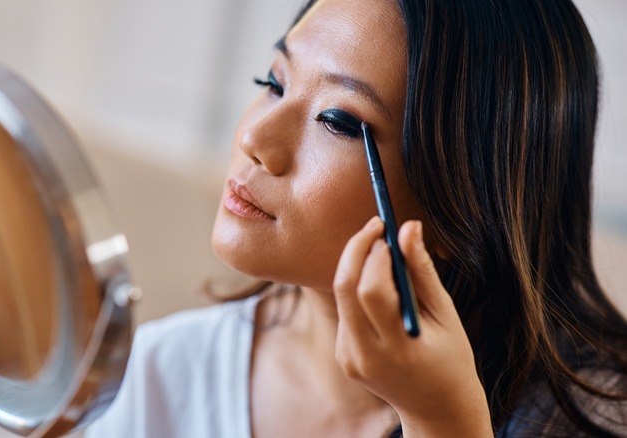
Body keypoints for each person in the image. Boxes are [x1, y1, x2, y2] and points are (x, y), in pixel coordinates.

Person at [86, 0, 627, 436]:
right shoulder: (160, 375)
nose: (254, 138)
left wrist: (443, 424)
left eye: (338, 120)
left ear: (462, 204)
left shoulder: (592, 415)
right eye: (274, 83)